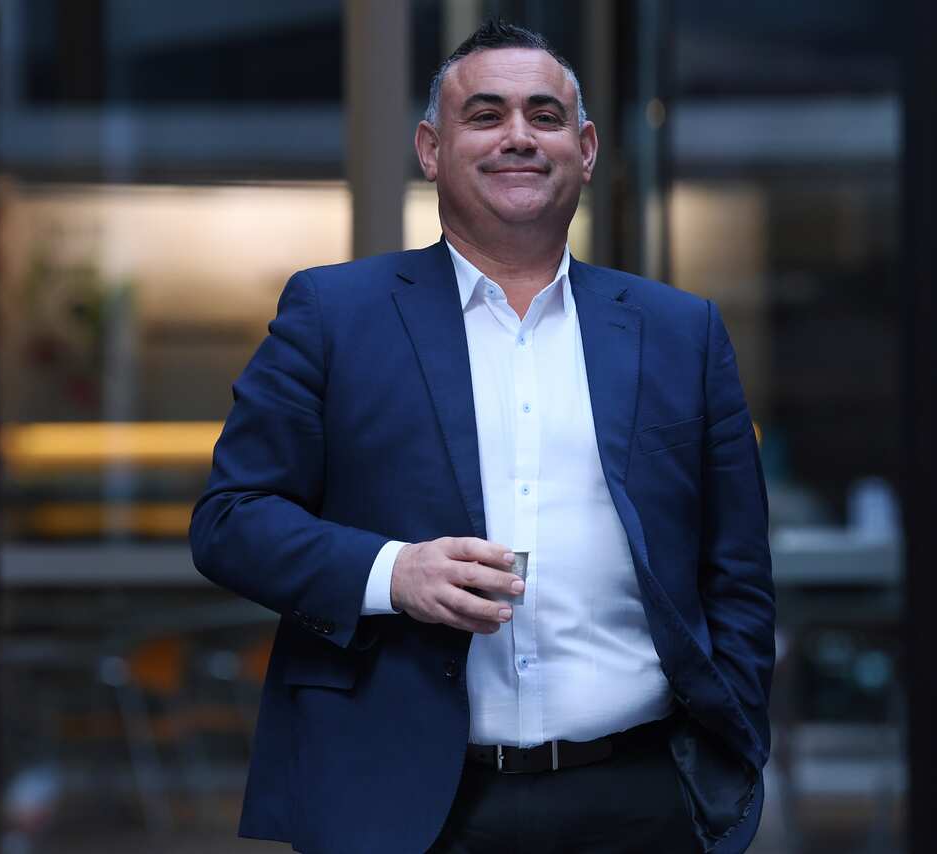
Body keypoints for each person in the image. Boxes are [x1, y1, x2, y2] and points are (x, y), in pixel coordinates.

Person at [190, 19, 775, 854]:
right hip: (409, 806)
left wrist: (734, 742)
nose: (517, 137)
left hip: (644, 799)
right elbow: (230, 520)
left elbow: (738, 570)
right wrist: (393, 572)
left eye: (543, 116)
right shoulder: (334, 315)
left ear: (587, 146)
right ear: (431, 148)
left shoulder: (680, 331)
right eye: (486, 115)